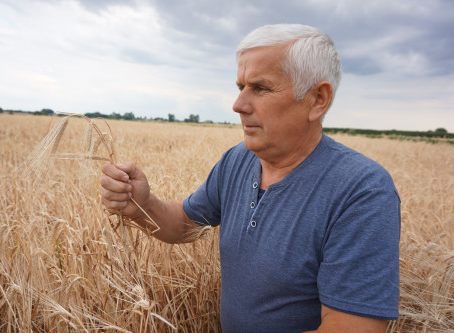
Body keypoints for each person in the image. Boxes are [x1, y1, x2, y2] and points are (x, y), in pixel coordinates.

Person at [101, 24, 400, 333]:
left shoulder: (362, 190)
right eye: (240, 87)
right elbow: (186, 224)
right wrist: (141, 205)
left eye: (260, 88)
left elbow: (351, 328)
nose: (238, 105)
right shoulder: (237, 160)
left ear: (317, 99)